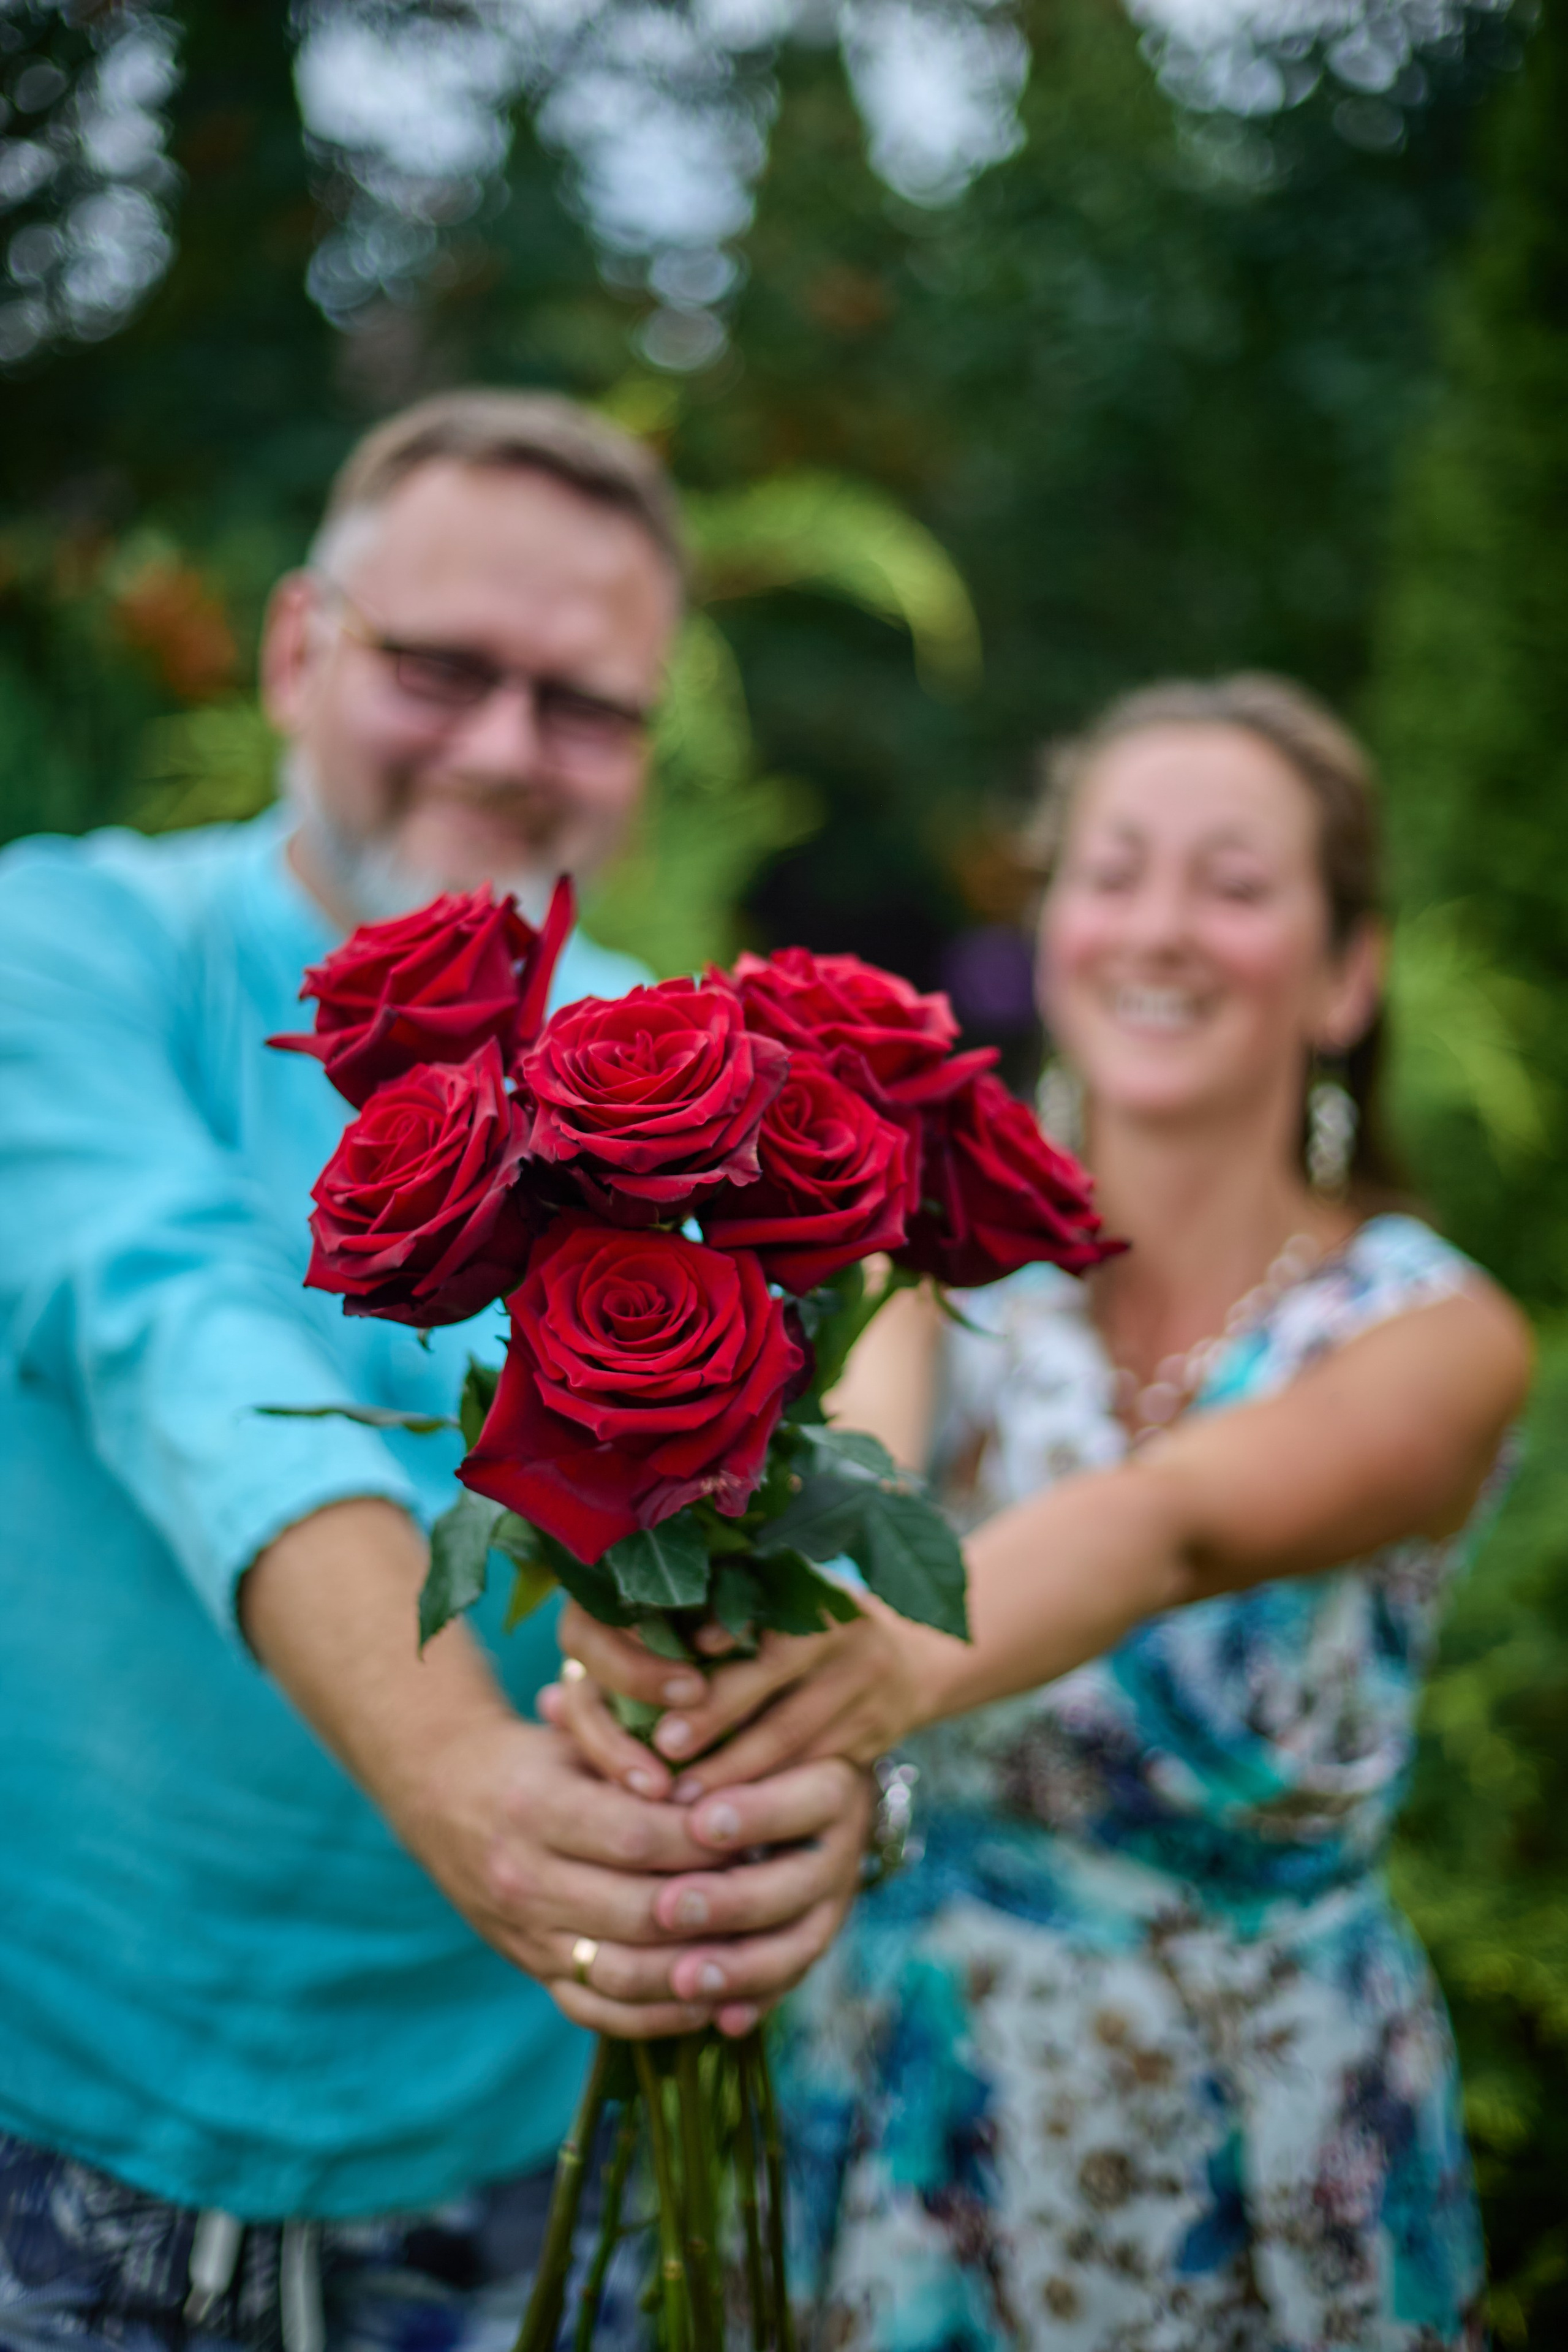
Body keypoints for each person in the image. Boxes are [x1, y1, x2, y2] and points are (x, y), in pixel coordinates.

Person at [0, 390, 869, 2351]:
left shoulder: (692, 1074)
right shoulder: (65, 943)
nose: (502, 749)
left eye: (584, 705)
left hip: (534, 2145)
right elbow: (164, 1329)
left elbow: (840, 1448)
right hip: (66, 2103)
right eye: (441, 668)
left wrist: (838, 1767)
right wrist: (458, 1771)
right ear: (297, 651)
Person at [551, 676, 1530, 2351]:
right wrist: (682, 1636)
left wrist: (875, 1672)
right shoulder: (930, 1267)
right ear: (1051, 922)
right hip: (913, 2099)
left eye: (1234, 884)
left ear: (1347, 972)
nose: (1160, 927)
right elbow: (855, 1490)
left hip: (1263, 2127)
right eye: (1112, 870)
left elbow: (1171, 1524)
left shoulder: (1438, 1336)